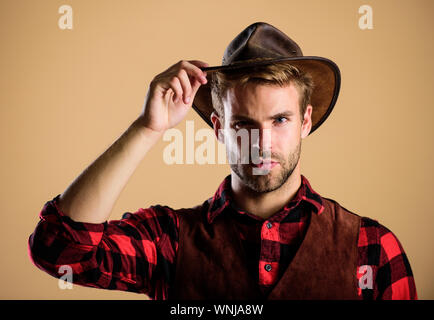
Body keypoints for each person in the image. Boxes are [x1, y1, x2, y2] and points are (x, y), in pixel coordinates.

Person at [28, 22, 417, 300]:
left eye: (279, 119)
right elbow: (59, 250)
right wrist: (147, 128)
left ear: (305, 121)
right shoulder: (171, 241)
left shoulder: (372, 248)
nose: (261, 143)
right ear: (218, 128)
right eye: (244, 123)